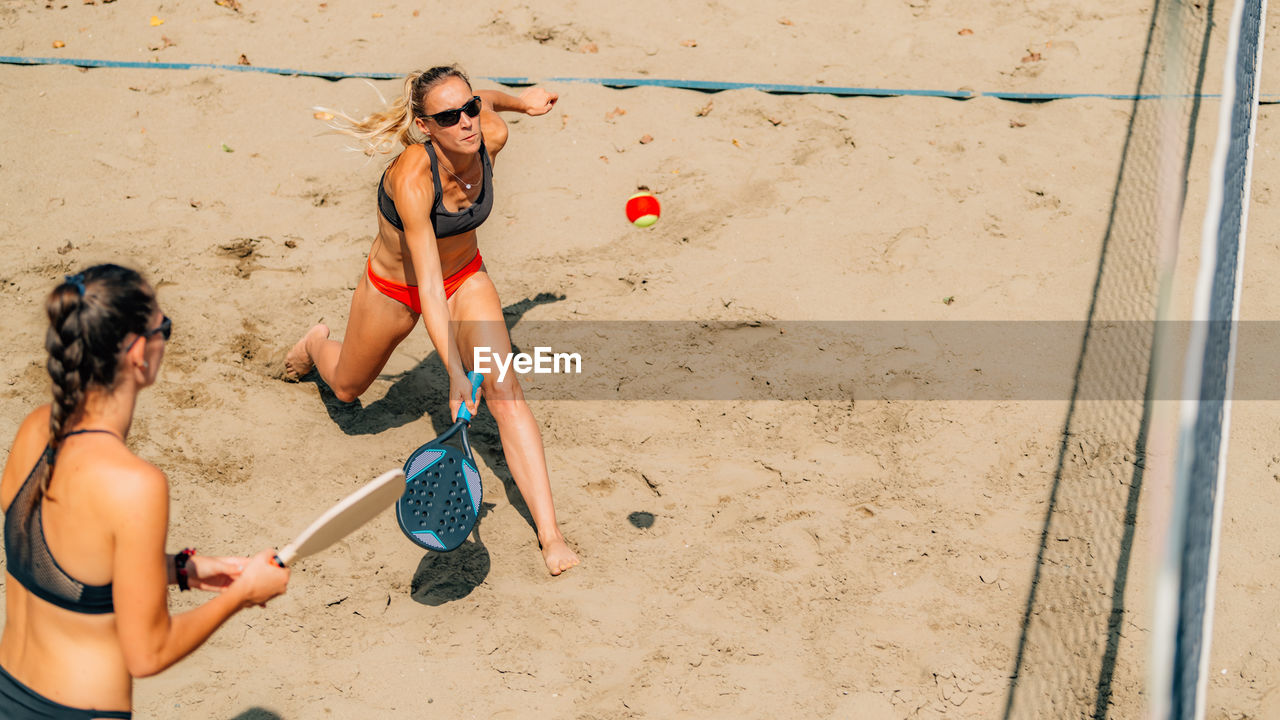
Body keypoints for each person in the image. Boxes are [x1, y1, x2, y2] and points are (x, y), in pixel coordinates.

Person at [284, 65, 579, 576]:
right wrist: (455, 373)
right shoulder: (412, 180)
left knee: (507, 397)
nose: (467, 121)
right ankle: (315, 345)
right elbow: (425, 287)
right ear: (425, 126)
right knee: (350, 389)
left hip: (465, 278)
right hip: (397, 287)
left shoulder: (490, 133)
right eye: (449, 116)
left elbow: (484, 99)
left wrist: (521, 101)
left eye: (469, 109)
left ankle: (550, 535)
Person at [0, 265, 290, 719]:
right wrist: (243, 593)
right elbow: (148, 653)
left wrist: (179, 569)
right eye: (164, 328)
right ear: (138, 352)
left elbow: (68, 560)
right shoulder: (135, 484)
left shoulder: (37, 430)